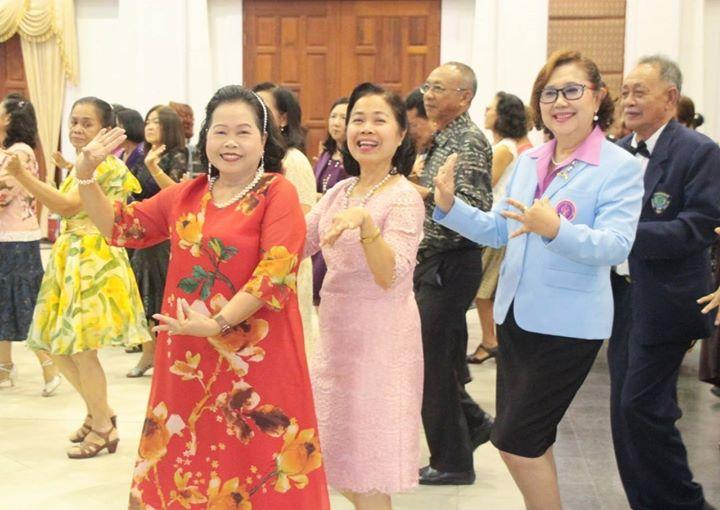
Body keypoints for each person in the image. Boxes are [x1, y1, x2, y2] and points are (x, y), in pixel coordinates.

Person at [77, 85, 329, 509]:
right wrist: (86, 173)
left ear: (263, 140)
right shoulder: (188, 194)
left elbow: (276, 269)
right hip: (189, 356)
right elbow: (121, 227)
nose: (230, 142)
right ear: (205, 137)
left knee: (256, 455)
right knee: (190, 450)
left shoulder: (276, 191)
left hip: (256, 357)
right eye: (220, 131)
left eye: (243, 132)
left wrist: (217, 323)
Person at [432, 50, 643, 508]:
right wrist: (449, 205)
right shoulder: (530, 161)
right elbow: (499, 229)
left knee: (515, 442)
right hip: (516, 320)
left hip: (568, 327)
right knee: (532, 442)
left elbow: (616, 246)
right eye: (549, 93)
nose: (559, 102)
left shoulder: (619, 166)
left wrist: (556, 229)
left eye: (572, 91)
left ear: (598, 98)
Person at [305, 82, 424, 510]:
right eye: (358, 119)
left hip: (380, 343)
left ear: (400, 134)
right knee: (330, 454)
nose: (366, 129)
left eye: (379, 120)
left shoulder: (404, 197)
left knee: (368, 466)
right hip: (336, 338)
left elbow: (391, 274)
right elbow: (298, 242)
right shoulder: (341, 191)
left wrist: (367, 226)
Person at [610, 55, 720, 510]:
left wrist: (623, 236)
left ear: (670, 98)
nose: (628, 101)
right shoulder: (616, 152)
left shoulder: (699, 151)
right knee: (624, 414)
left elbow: (699, 226)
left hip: (667, 301)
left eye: (640, 92)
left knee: (642, 408)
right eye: (625, 92)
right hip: (620, 299)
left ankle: (686, 503)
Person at [17, 97, 152, 458]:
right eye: (74, 122)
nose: (77, 129)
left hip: (94, 259)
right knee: (51, 343)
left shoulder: (104, 165)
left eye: (86, 123)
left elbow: (65, 207)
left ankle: (103, 426)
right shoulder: (83, 162)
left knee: (81, 349)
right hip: (71, 257)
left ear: (105, 130)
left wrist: (22, 175)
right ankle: (99, 412)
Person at [412, 62, 494, 486]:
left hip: (451, 262)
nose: (428, 94)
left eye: (439, 88)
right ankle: (474, 424)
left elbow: (473, 209)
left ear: (464, 97)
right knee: (436, 361)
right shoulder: (442, 137)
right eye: (427, 86)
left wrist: (423, 194)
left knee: (432, 365)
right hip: (435, 264)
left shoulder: (469, 141)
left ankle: (453, 462)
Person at [0, 94, 60, 396]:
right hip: (8, 236)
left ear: (10, 118)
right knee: (4, 302)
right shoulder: (12, 150)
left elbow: (3, 193)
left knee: (22, 303)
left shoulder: (18, 152)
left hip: (15, 239)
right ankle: (4, 366)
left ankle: (49, 364)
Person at [253, 83, 317, 354]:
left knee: (286, 347)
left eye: (263, 108)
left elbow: (303, 222)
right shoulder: (254, 160)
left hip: (286, 268)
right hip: (257, 267)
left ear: (283, 119)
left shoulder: (294, 160)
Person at [467, 91, 531, 365]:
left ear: (503, 115)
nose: (486, 111)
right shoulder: (503, 146)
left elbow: (484, 184)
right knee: (485, 287)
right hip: (497, 220)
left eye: (491, 108)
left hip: (497, 222)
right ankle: (490, 339)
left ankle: (491, 341)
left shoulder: (504, 148)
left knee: (484, 287)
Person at [125, 105, 188, 377]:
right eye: (148, 121)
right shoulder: (142, 153)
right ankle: (149, 353)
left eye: (156, 122)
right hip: (140, 228)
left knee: (160, 293)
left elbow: (177, 194)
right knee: (142, 293)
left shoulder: (177, 154)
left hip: (163, 231)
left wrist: (154, 167)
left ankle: (161, 355)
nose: (149, 126)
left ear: (169, 127)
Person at [312, 97, 349, 307]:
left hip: (339, 233)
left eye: (343, 118)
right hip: (319, 229)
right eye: (333, 116)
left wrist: (319, 198)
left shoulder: (354, 160)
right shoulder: (326, 154)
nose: (336, 122)